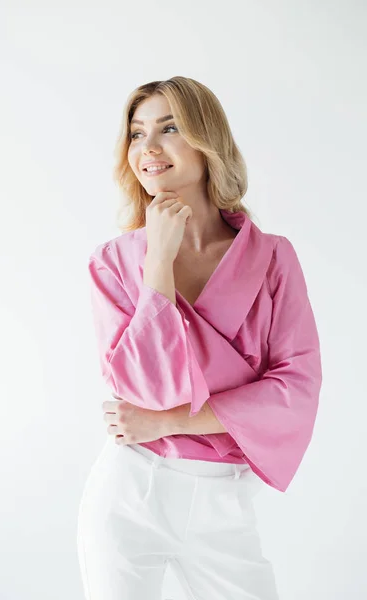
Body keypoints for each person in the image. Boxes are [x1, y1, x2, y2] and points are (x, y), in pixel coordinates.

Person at [76, 76, 322, 600]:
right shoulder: (113, 262)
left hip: (222, 501)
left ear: (207, 140)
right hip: (129, 490)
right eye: (136, 133)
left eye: (169, 128)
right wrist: (158, 263)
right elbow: (149, 386)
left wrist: (167, 421)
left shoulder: (272, 257)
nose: (148, 148)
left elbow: (296, 389)